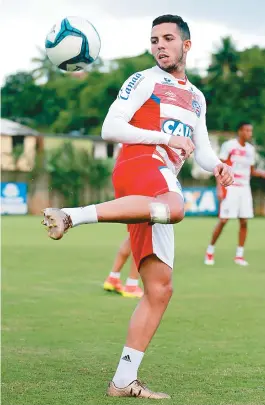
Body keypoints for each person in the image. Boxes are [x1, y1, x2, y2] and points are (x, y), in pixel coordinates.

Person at [42, 14, 233, 399]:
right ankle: (71, 215)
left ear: (186, 45)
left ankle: (123, 380)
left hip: (159, 184)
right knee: (176, 207)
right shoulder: (145, 79)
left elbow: (203, 151)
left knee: (160, 290)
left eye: (166, 38)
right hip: (141, 165)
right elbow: (110, 128)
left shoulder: (197, 96)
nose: (159, 45)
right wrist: (165, 138)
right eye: (153, 40)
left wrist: (219, 167)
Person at [205, 122, 265, 266]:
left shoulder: (251, 150)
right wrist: (220, 188)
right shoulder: (229, 146)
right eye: (246, 130)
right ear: (240, 131)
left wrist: (262, 173)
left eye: (250, 130)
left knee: (244, 221)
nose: (249, 133)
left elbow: (251, 171)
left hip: (245, 189)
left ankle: (239, 255)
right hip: (230, 187)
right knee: (224, 220)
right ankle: (210, 250)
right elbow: (220, 168)